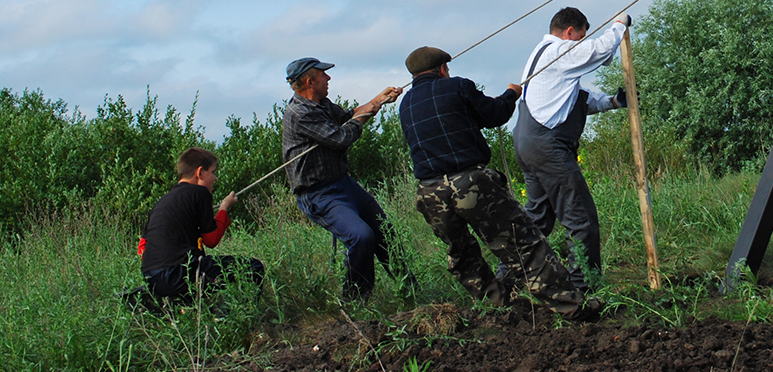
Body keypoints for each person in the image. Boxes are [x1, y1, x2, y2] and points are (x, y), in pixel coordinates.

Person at [398, 46, 597, 319]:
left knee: (463, 255)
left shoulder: (405, 104)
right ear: (443, 68)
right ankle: (574, 307)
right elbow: (495, 115)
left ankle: (498, 309)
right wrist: (511, 94)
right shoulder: (456, 87)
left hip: (429, 193)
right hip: (468, 183)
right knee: (522, 244)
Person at [513, 7, 629, 291]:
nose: (580, 43)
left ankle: (510, 279)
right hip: (547, 148)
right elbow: (598, 51)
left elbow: (575, 100)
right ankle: (583, 288)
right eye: (580, 37)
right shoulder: (557, 51)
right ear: (569, 33)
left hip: (527, 144)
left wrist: (614, 101)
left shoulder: (541, 57)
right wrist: (619, 24)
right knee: (580, 218)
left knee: (537, 219)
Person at [281, 57, 409, 300]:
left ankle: (410, 291)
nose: (328, 78)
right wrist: (363, 116)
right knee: (361, 237)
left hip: (342, 184)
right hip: (318, 194)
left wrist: (378, 100)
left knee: (384, 232)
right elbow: (341, 137)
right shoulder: (300, 113)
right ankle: (356, 302)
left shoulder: (321, 104)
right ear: (310, 81)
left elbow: (349, 115)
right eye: (323, 75)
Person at [139, 147, 264, 306]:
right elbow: (211, 239)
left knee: (198, 278)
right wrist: (224, 209)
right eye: (212, 172)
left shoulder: (162, 202)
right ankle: (231, 320)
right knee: (253, 267)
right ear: (200, 173)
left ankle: (169, 303)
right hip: (178, 274)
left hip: (152, 278)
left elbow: (142, 248)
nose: (215, 178)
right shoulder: (199, 192)